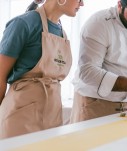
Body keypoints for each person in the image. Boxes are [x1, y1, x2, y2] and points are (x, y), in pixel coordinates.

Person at [0, 0, 84, 139]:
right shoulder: (23, 24)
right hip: (20, 117)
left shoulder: (61, 33)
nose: (82, 4)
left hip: (52, 116)